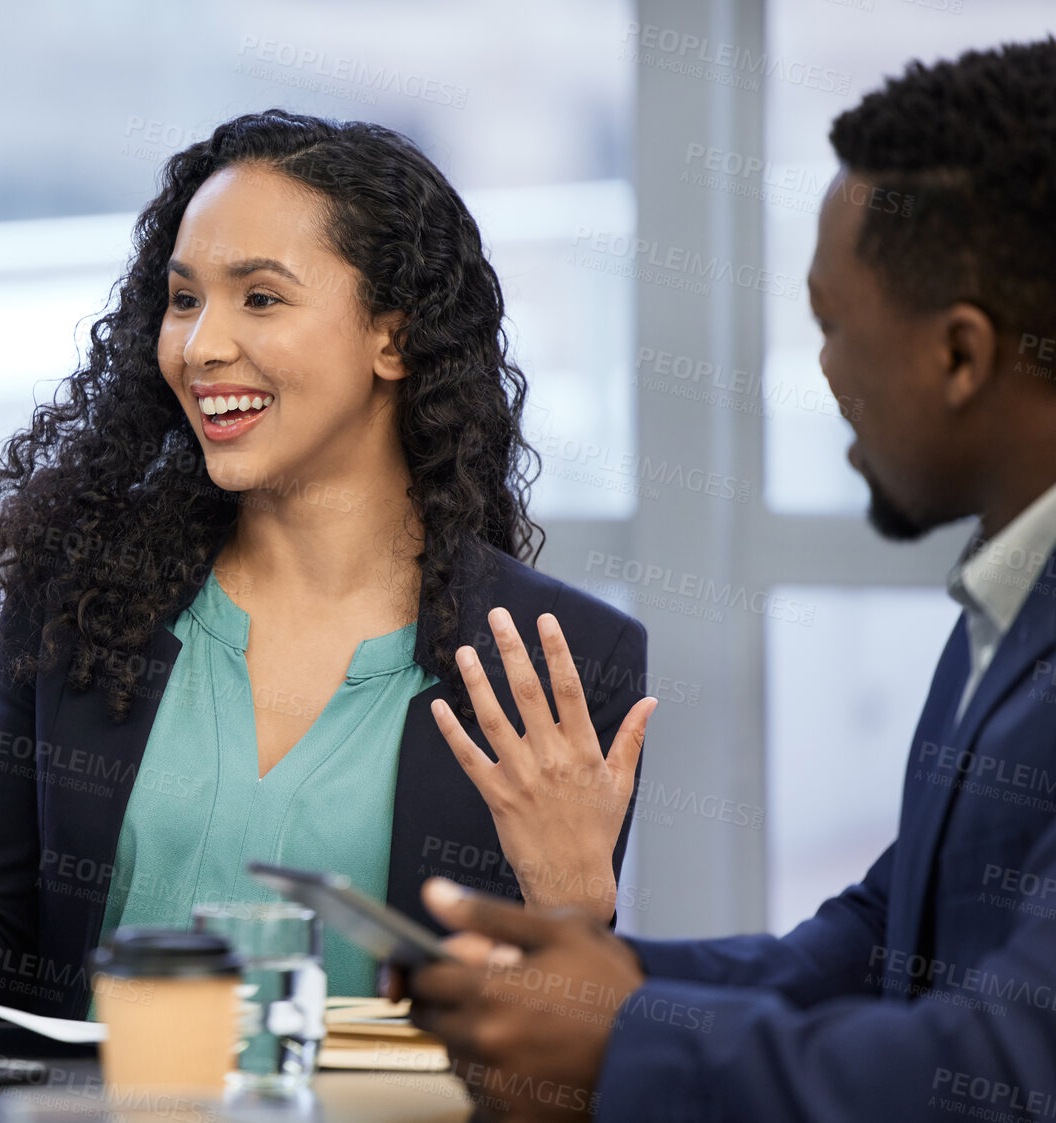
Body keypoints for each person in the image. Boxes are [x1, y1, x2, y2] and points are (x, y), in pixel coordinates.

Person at [0, 110, 659, 1020]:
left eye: (259, 298)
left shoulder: (557, 665)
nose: (199, 346)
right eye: (184, 299)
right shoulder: (82, 605)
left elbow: (545, 1058)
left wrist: (576, 904)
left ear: (394, 337)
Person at [405, 40, 1056, 1122]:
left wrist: (626, 1040)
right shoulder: (1009, 596)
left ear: (959, 355)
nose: (824, 370)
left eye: (833, 325)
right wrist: (586, 984)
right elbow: (878, 939)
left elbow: (1015, 1068)